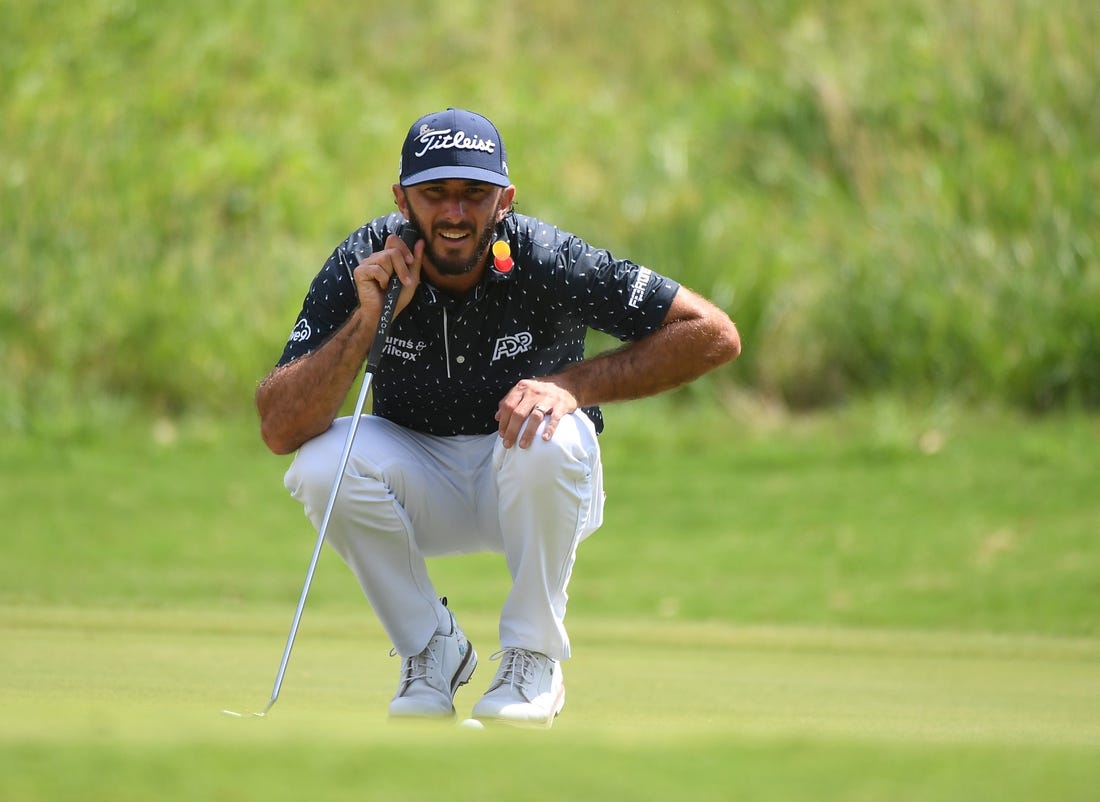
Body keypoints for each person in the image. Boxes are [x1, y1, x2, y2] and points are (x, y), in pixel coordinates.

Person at [256, 108, 741, 728]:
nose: (455, 214)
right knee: (323, 461)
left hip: (532, 479)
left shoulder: (548, 258)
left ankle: (532, 658)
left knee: (549, 432)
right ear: (402, 199)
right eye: (435, 194)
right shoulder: (365, 259)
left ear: (504, 199)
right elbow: (279, 426)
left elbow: (713, 333)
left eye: (474, 195)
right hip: (417, 480)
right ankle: (431, 650)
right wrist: (368, 319)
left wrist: (570, 385)